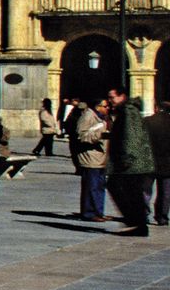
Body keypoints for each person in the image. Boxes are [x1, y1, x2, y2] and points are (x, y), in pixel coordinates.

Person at [105, 86, 154, 236]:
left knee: (125, 189)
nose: (110, 101)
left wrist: (128, 158)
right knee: (132, 192)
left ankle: (136, 223)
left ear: (122, 96)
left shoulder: (129, 111)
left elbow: (132, 135)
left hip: (131, 162)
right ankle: (137, 223)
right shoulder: (124, 111)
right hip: (129, 161)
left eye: (112, 97)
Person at [68, 97, 109, 221]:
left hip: (100, 157)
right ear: (97, 106)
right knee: (91, 186)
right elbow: (81, 135)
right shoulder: (87, 116)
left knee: (100, 186)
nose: (107, 108)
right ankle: (89, 212)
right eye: (105, 106)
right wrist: (100, 136)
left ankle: (99, 211)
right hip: (90, 157)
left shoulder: (101, 117)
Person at [145, 102, 170, 228]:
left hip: (148, 161)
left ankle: (143, 214)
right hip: (167, 163)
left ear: (156, 108)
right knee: (165, 192)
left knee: (146, 190)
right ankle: (162, 217)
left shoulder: (147, 121)